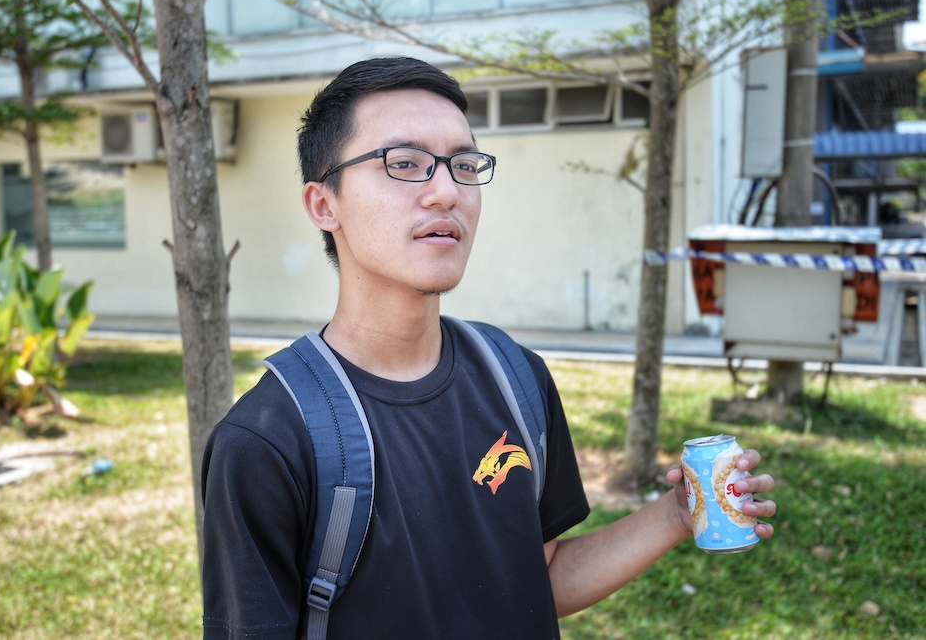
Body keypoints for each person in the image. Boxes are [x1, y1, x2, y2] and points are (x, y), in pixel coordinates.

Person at [200, 56, 777, 639]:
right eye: (405, 164)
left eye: (465, 164)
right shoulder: (266, 442)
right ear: (324, 205)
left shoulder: (515, 378)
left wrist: (678, 514)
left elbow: (539, 576)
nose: (447, 191)